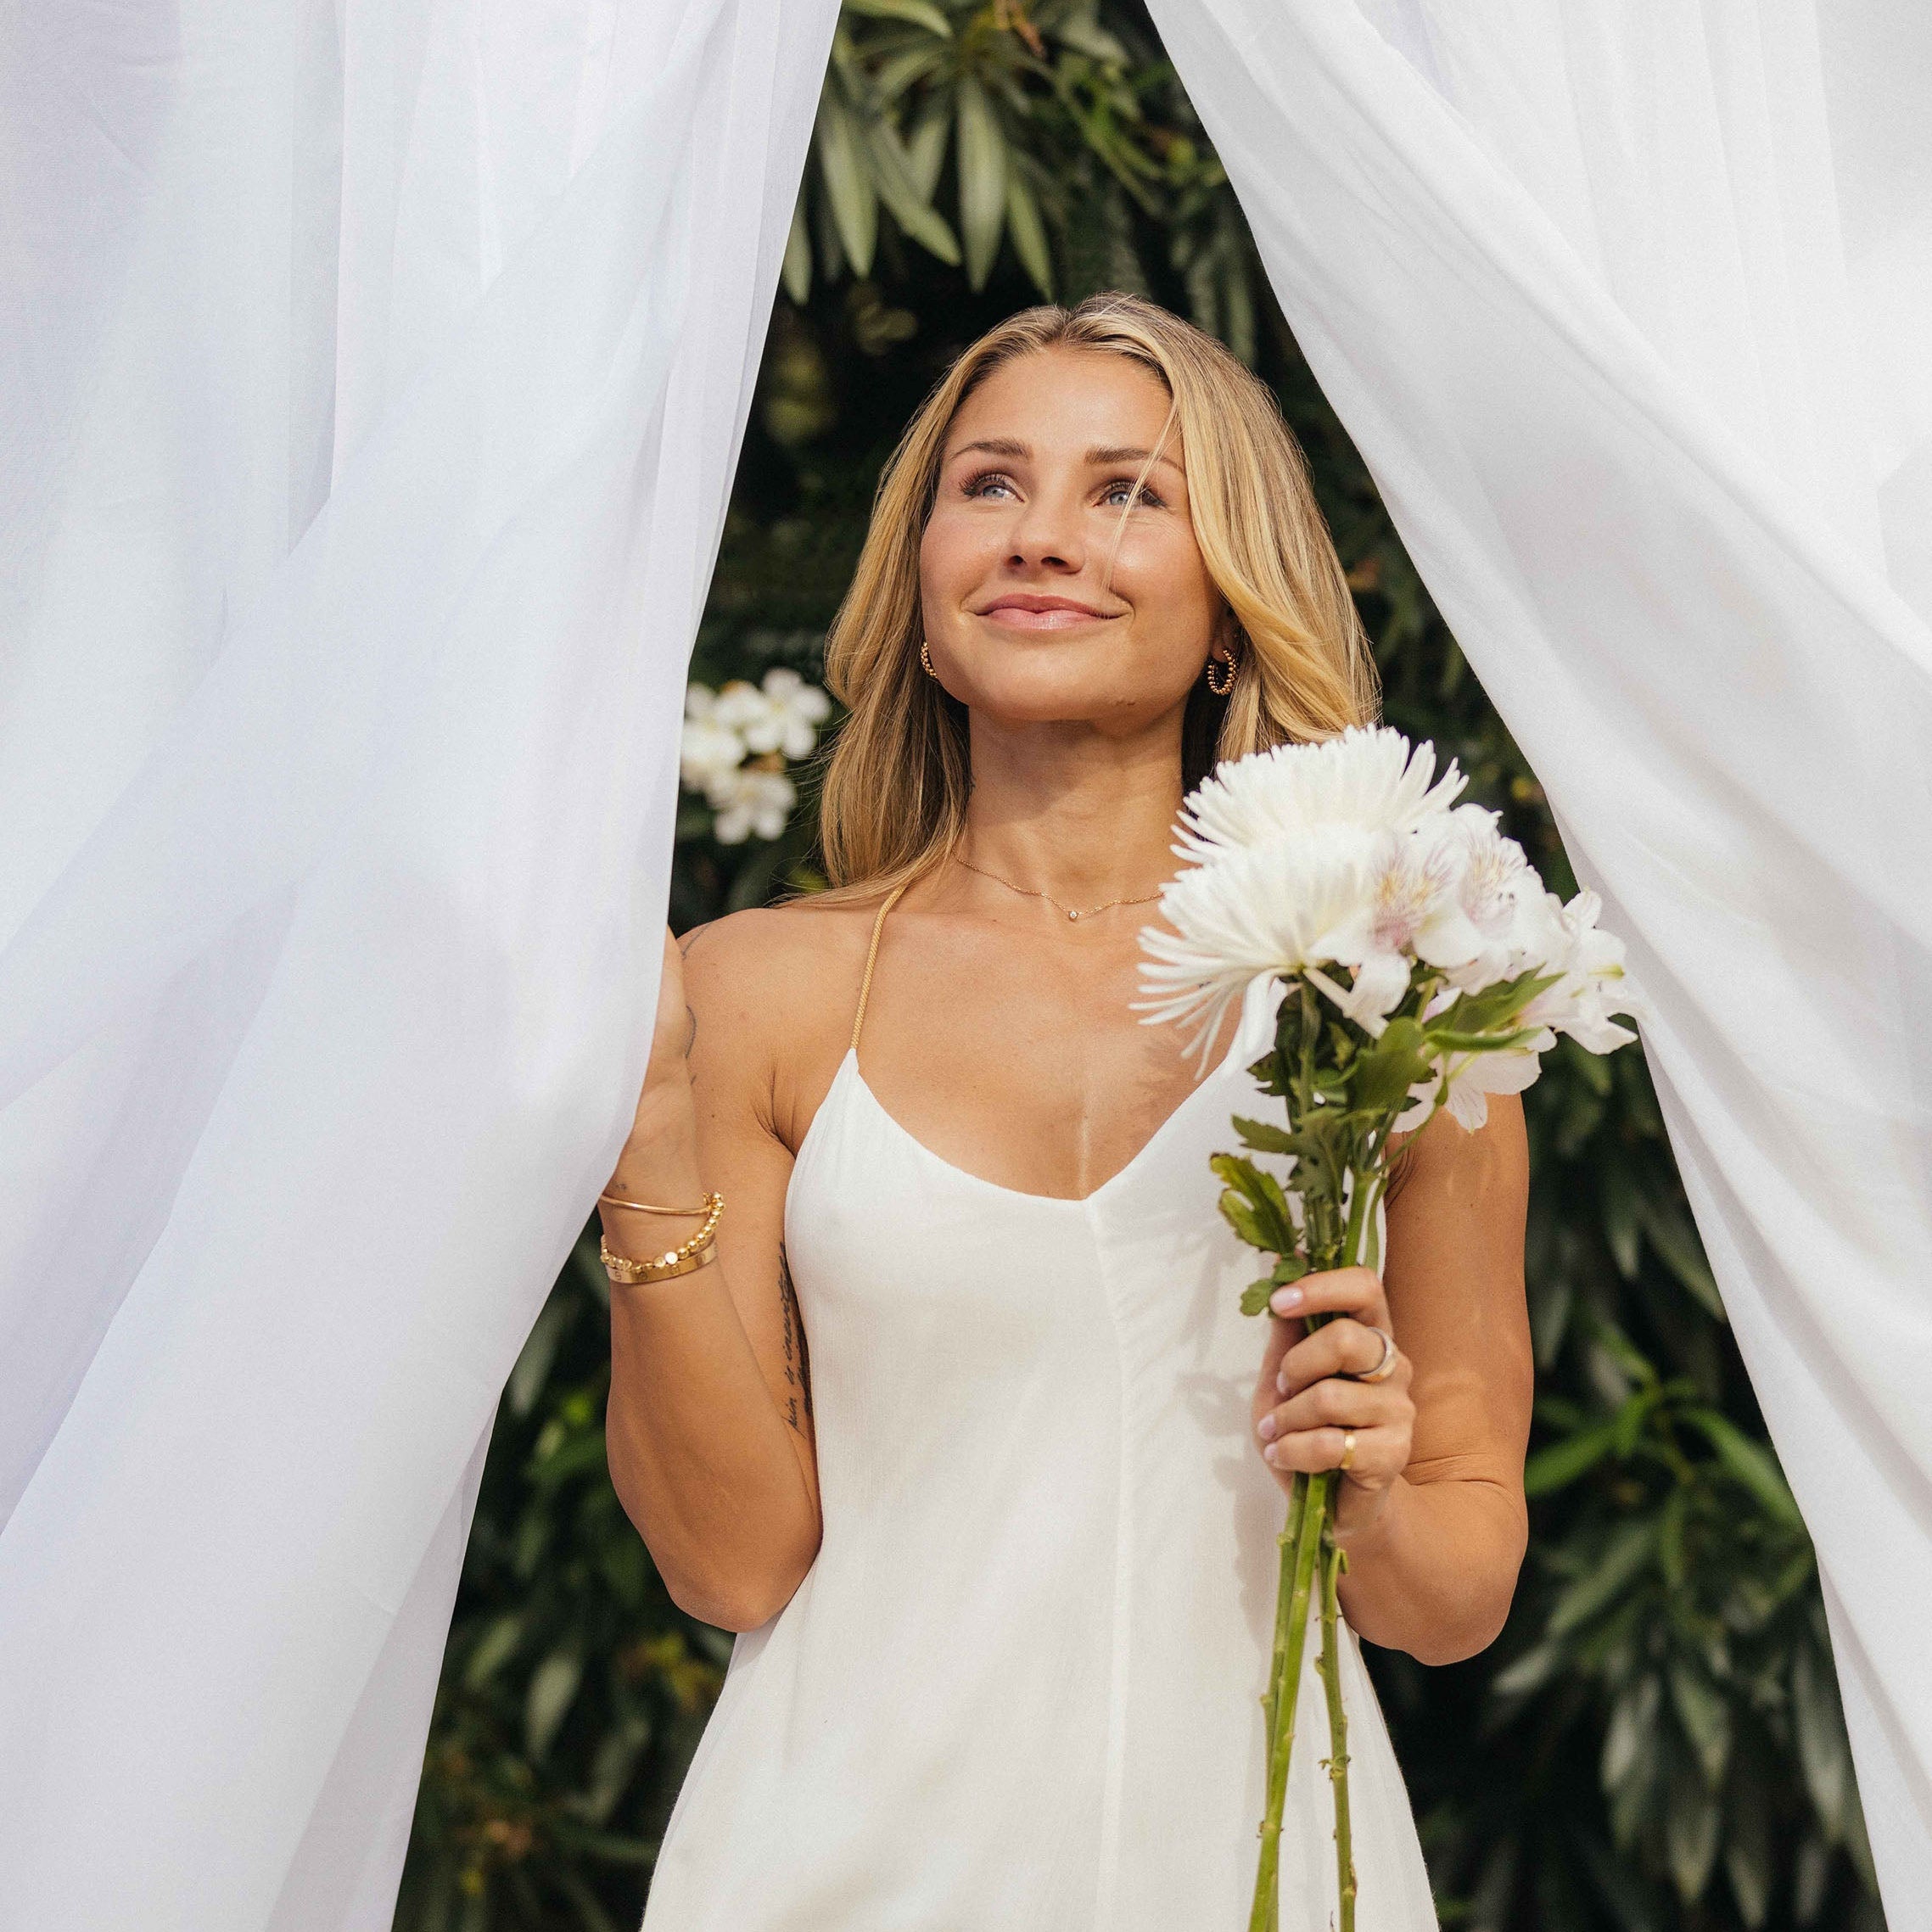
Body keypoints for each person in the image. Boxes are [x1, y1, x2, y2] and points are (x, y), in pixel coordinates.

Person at [602, 294, 1532, 1929]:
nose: (1044, 537)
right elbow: (730, 1563)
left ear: (1232, 600)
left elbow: (1450, 1598)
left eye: (1127, 492)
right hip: (829, 1876)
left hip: (1260, 1873)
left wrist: (1375, 1483)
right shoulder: (750, 993)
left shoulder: (1390, 991)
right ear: (922, 578)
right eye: (988, 484)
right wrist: (644, 1158)